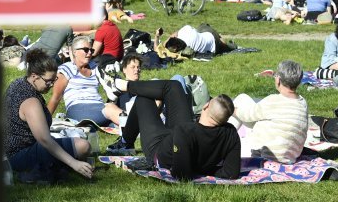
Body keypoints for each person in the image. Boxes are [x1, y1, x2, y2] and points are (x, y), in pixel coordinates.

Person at [98, 73, 240, 181]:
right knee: (174, 86)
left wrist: (198, 170)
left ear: (206, 105)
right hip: (181, 134)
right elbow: (231, 173)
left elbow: (181, 174)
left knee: (143, 99)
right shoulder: (230, 133)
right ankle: (123, 86)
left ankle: (125, 143)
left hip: (158, 148)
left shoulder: (185, 133)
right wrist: (208, 170)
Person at [4, 48, 93, 183]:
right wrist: (74, 163)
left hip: (6, 151)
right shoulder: (30, 102)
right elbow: (44, 139)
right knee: (83, 146)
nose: (51, 85)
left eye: (54, 80)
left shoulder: (18, 83)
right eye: (48, 81)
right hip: (18, 156)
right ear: (34, 76)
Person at [230, 60, 309, 163]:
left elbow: (246, 115)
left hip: (262, 156)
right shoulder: (303, 103)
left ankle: (218, 141)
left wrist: (229, 108)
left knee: (241, 100)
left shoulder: (273, 101)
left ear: (278, 80)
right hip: (289, 157)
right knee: (243, 99)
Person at [47, 35, 120, 126]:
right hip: (77, 109)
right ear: (74, 52)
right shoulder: (66, 69)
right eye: (86, 50)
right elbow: (56, 97)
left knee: (117, 119)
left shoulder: (95, 68)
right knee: (112, 110)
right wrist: (45, 121)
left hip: (98, 107)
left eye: (91, 50)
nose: (89, 53)